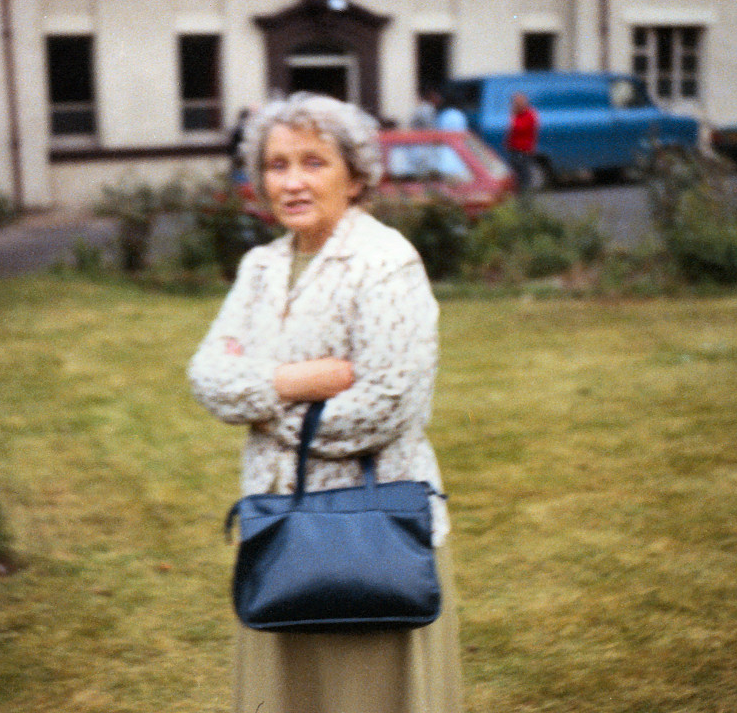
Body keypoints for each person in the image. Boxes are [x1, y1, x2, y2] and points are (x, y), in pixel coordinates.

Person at [188, 92, 463, 713]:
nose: (292, 182)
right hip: (280, 533)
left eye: (313, 162)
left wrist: (262, 406)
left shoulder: (385, 264)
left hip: (372, 536)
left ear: (356, 176)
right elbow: (208, 377)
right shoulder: (260, 268)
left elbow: (385, 405)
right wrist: (296, 382)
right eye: (277, 165)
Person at [504, 92, 539, 192]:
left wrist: (513, 117)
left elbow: (519, 128)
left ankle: (526, 194)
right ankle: (519, 192)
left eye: (517, 103)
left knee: (524, 174)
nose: (514, 105)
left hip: (523, 149)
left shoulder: (529, 115)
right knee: (516, 173)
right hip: (514, 148)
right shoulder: (518, 115)